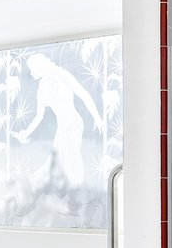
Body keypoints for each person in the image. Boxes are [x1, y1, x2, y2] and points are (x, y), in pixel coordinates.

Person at [12, 51, 105, 188]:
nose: (31, 73)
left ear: (39, 66)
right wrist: (25, 133)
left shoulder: (62, 74)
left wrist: (97, 118)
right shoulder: (42, 87)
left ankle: (76, 190)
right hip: (62, 128)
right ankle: (69, 192)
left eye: (32, 69)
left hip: (73, 124)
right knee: (59, 162)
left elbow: (83, 94)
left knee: (69, 160)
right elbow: (39, 116)